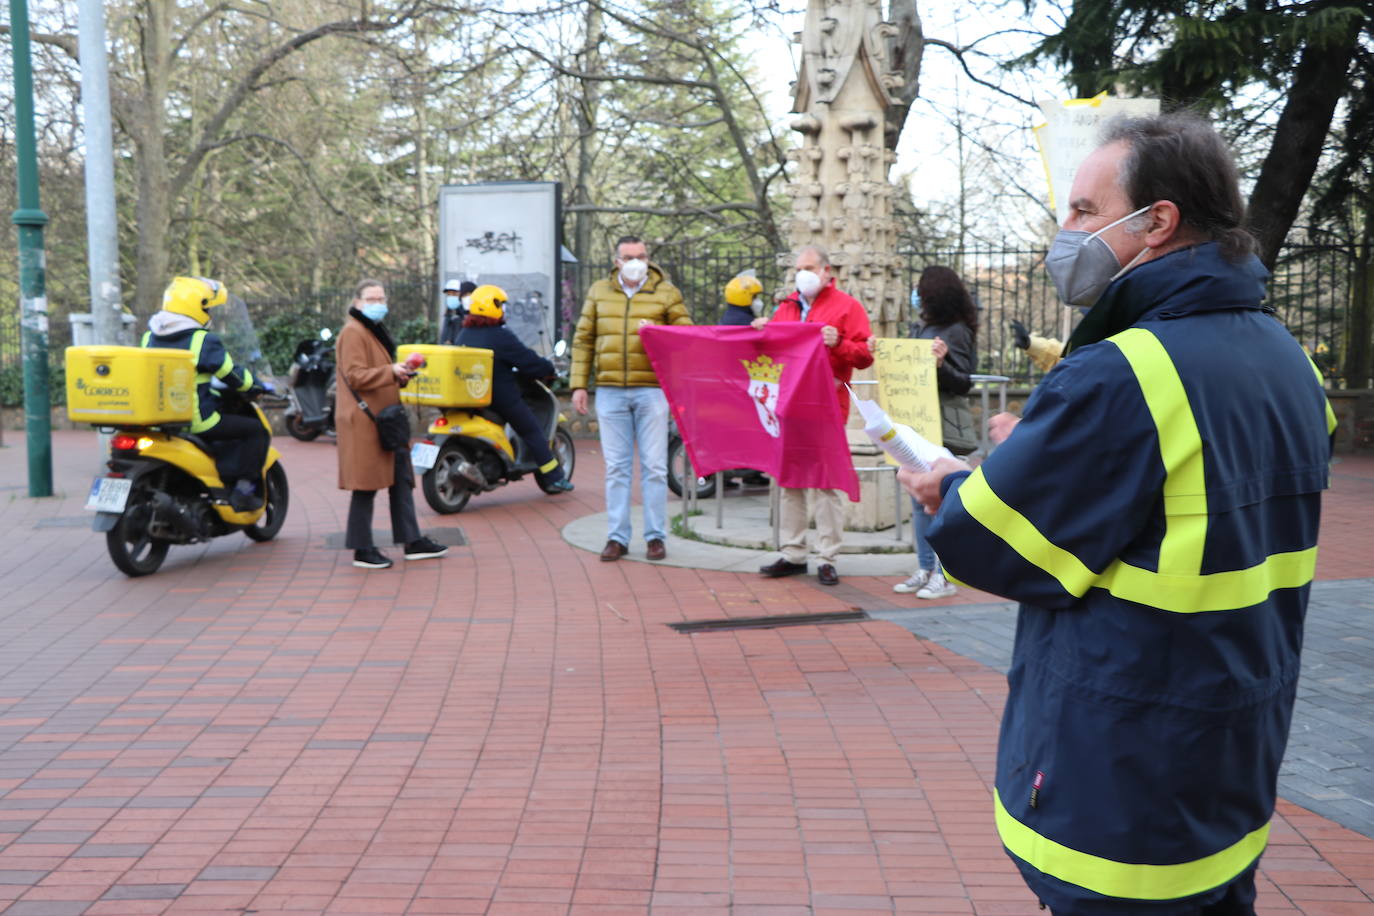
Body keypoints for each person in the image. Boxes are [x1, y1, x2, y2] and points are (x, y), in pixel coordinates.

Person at [901, 113, 1335, 914]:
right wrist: (1044, 441)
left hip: (1126, 768)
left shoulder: (1123, 372)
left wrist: (946, 487)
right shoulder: (1288, 359)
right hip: (1233, 752)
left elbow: (988, 544)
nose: (1063, 235)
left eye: (1082, 212)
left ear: (1158, 221)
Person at [754, 244, 873, 586]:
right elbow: (773, 352)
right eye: (798, 269)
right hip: (789, 404)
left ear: (825, 271)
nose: (802, 274)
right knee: (789, 478)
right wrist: (759, 332)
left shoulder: (846, 307)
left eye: (808, 267)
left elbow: (864, 355)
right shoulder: (786, 307)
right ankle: (793, 552)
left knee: (825, 481)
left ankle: (827, 556)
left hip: (826, 402)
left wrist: (838, 343)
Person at [570, 235, 692, 562]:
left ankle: (655, 536)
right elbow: (583, 340)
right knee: (616, 468)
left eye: (641, 255)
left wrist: (657, 331)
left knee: (653, 466)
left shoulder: (665, 292)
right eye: (629, 257)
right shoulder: (599, 291)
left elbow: (687, 336)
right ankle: (617, 537)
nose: (636, 262)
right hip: (609, 389)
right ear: (617, 261)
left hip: (652, 389)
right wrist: (579, 385)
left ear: (648, 257)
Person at [337, 278, 448, 570]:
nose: (379, 304)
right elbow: (356, 375)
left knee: (401, 478)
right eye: (372, 299)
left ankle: (412, 541)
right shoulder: (353, 332)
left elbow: (372, 372)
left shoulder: (371, 331)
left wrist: (397, 374)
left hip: (385, 419)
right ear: (357, 302)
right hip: (365, 421)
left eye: (382, 299)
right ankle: (362, 548)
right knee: (366, 484)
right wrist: (390, 370)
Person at [142, 276, 269, 511]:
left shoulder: (149, 337)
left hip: (161, 419)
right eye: (208, 308)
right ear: (196, 307)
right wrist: (257, 387)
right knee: (256, 431)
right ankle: (243, 489)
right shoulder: (201, 340)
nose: (211, 313)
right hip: (197, 420)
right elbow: (232, 374)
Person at [890, 266, 977, 600]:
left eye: (920, 289)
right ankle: (925, 567)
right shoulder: (923, 326)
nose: (916, 295)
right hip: (919, 422)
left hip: (942, 424)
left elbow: (964, 382)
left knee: (940, 500)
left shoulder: (956, 331)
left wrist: (941, 365)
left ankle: (944, 574)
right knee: (918, 498)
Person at [455, 284, 574, 494]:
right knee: (532, 430)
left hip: (471, 396)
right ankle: (554, 477)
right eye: (501, 305)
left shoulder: (464, 334)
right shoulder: (500, 336)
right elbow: (528, 360)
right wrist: (548, 369)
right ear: (492, 307)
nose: (504, 310)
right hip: (500, 398)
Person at [440, 279, 477, 345]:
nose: (451, 297)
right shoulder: (449, 313)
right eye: (449, 295)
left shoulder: (468, 313)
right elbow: (444, 335)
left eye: (454, 294)